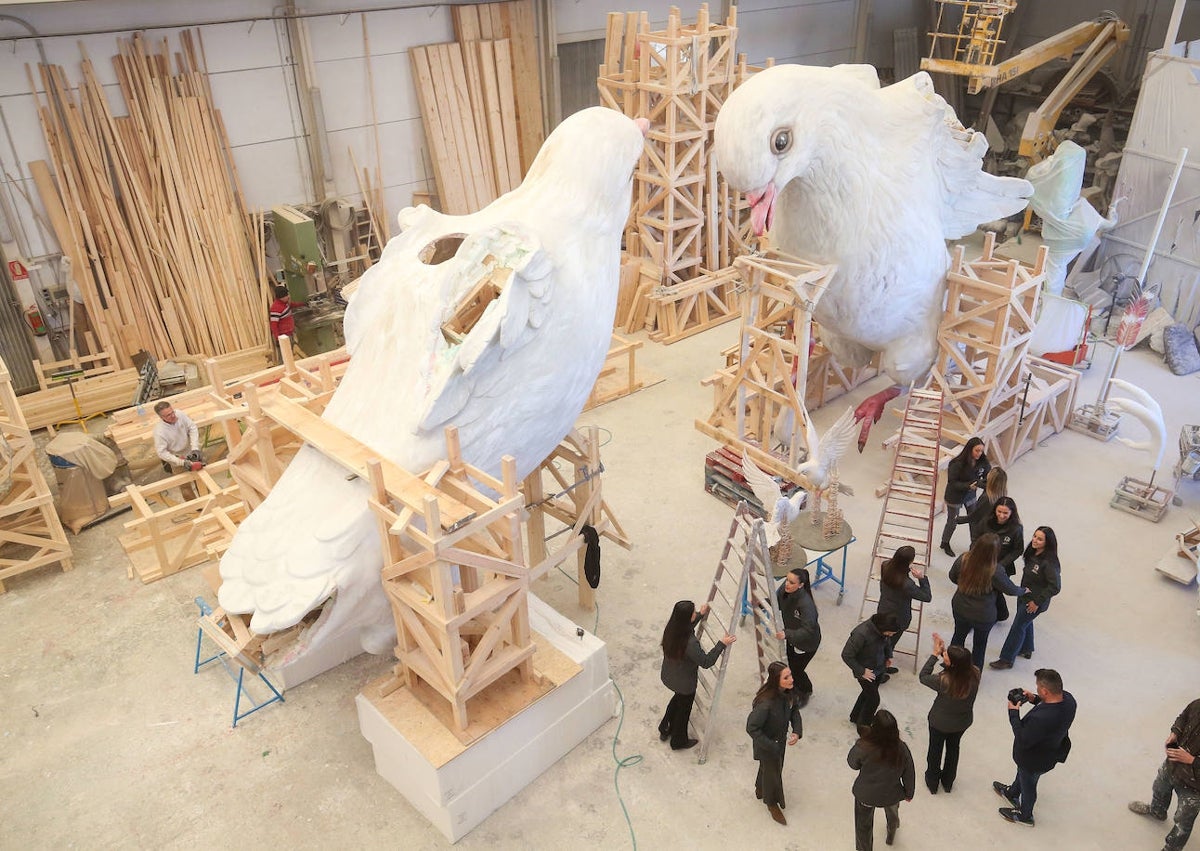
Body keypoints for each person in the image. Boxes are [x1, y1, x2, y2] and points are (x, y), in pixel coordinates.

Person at [994, 668, 1077, 827]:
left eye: (1038, 688)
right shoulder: (1069, 700)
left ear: (1045, 691)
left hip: (1033, 759)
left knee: (1029, 785)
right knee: (1024, 775)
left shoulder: (1042, 719)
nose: (1037, 689)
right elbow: (1051, 704)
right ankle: (1012, 793)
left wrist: (1013, 713)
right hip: (1051, 752)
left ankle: (1026, 815)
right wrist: (1034, 698)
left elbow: (1023, 738)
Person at [658, 600, 735, 750]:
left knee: (676, 700)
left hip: (669, 675)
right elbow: (706, 662)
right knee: (684, 710)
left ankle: (665, 728)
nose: (695, 614)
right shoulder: (690, 643)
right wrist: (722, 644)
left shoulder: (672, 628)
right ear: (687, 618)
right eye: (692, 613)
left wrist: (700, 614)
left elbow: (685, 626)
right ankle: (678, 741)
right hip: (684, 683)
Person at [1129, 698, 1200, 850]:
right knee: (1160, 788)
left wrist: (1192, 760)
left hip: (1195, 785)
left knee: (1183, 820)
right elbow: (1184, 716)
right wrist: (1175, 732)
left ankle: (1172, 848)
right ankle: (1157, 811)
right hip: (1173, 765)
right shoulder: (1198, 703)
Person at [948, 534, 1025, 670]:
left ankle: (951, 667)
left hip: (960, 607)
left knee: (958, 637)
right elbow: (1011, 590)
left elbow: (952, 576)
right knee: (979, 645)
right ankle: (974, 676)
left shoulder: (963, 559)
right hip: (983, 615)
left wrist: (965, 585)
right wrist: (1023, 590)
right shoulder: (995, 570)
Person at [992, 527, 1061, 670]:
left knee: (1018, 626)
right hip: (1024, 594)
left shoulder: (1048, 563)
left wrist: (1037, 602)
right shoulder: (1032, 552)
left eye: (1040, 539)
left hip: (1034, 601)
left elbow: (1055, 587)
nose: (1035, 540)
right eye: (1035, 536)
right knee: (1025, 623)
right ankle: (1026, 648)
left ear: (1048, 543)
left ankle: (1006, 659)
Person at [919, 632, 980, 794]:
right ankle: (948, 781)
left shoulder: (942, 680)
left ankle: (932, 782)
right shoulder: (975, 673)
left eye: (946, 655)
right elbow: (956, 668)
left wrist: (934, 655)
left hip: (939, 722)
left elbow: (923, 676)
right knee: (953, 749)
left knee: (935, 750)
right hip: (962, 722)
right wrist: (945, 652)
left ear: (951, 664)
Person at [848, 709, 915, 849]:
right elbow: (909, 772)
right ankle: (892, 831)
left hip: (866, 795)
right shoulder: (901, 749)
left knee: (863, 826)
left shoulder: (864, 746)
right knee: (892, 812)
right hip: (891, 793)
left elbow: (852, 763)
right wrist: (909, 793)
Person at [746, 660, 803, 825]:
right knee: (773, 774)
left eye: (790, 674)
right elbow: (752, 727)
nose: (791, 679)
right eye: (786, 677)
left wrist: (797, 731)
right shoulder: (766, 704)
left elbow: (794, 712)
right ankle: (772, 803)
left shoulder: (788, 693)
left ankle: (760, 787)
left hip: (778, 742)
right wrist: (771, 745)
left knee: (768, 769)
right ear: (776, 680)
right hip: (768, 745)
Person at [875, 546, 931, 675]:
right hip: (898, 618)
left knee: (882, 641)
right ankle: (879, 673)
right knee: (888, 645)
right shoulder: (907, 584)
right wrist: (922, 579)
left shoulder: (885, 566)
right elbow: (926, 597)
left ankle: (881, 666)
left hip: (883, 610)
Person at [842, 612, 900, 727]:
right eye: (890, 633)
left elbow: (887, 642)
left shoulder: (884, 633)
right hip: (865, 672)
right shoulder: (861, 634)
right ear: (882, 628)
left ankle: (855, 716)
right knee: (874, 699)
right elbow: (846, 655)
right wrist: (862, 671)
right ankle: (864, 726)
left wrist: (888, 656)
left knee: (867, 694)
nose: (891, 635)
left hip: (879, 668)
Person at [775, 567, 820, 706]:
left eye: (792, 582)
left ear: (801, 585)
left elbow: (808, 630)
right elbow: (777, 601)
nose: (787, 584)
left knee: (796, 670)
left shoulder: (806, 605)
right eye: (787, 580)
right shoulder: (786, 588)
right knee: (789, 665)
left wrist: (787, 634)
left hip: (806, 644)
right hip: (791, 638)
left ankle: (806, 691)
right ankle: (793, 687)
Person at [940, 438, 989, 557]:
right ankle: (945, 542)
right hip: (955, 496)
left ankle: (974, 544)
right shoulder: (957, 463)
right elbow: (952, 482)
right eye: (977, 451)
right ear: (970, 449)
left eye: (981, 451)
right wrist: (968, 485)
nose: (979, 454)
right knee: (952, 521)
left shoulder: (982, 462)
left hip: (970, 495)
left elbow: (988, 475)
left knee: (974, 518)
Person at [981, 496, 1024, 622]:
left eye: (1005, 513)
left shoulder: (1016, 529)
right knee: (989, 591)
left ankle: (998, 614)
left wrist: (1000, 565)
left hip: (1002, 566)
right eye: (999, 511)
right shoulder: (986, 522)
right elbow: (976, 538)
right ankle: (1001, 613)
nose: (1001, 515)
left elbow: (1018, 550)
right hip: (983, 564)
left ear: (1012, 512)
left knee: (996, 589)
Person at [153, 400, 202, 501]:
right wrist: (180, 462)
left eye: (172, 412)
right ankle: (196, 507)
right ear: (161, 417)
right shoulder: (160, 432)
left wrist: (195, 448)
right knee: (185, 486)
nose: (172, 416)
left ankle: (207, 498)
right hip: (176, 457)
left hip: (190, 451)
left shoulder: (179, 414)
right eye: (168, 415)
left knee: (201, 478)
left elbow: (192, 427)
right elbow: (161, 452)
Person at [960, 466, 1007, 544]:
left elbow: (975, 515)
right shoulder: (1000, 494)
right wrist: (978, 483)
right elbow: (985, 484)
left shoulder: (987, 498)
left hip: (981, 529)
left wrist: (958, 520)